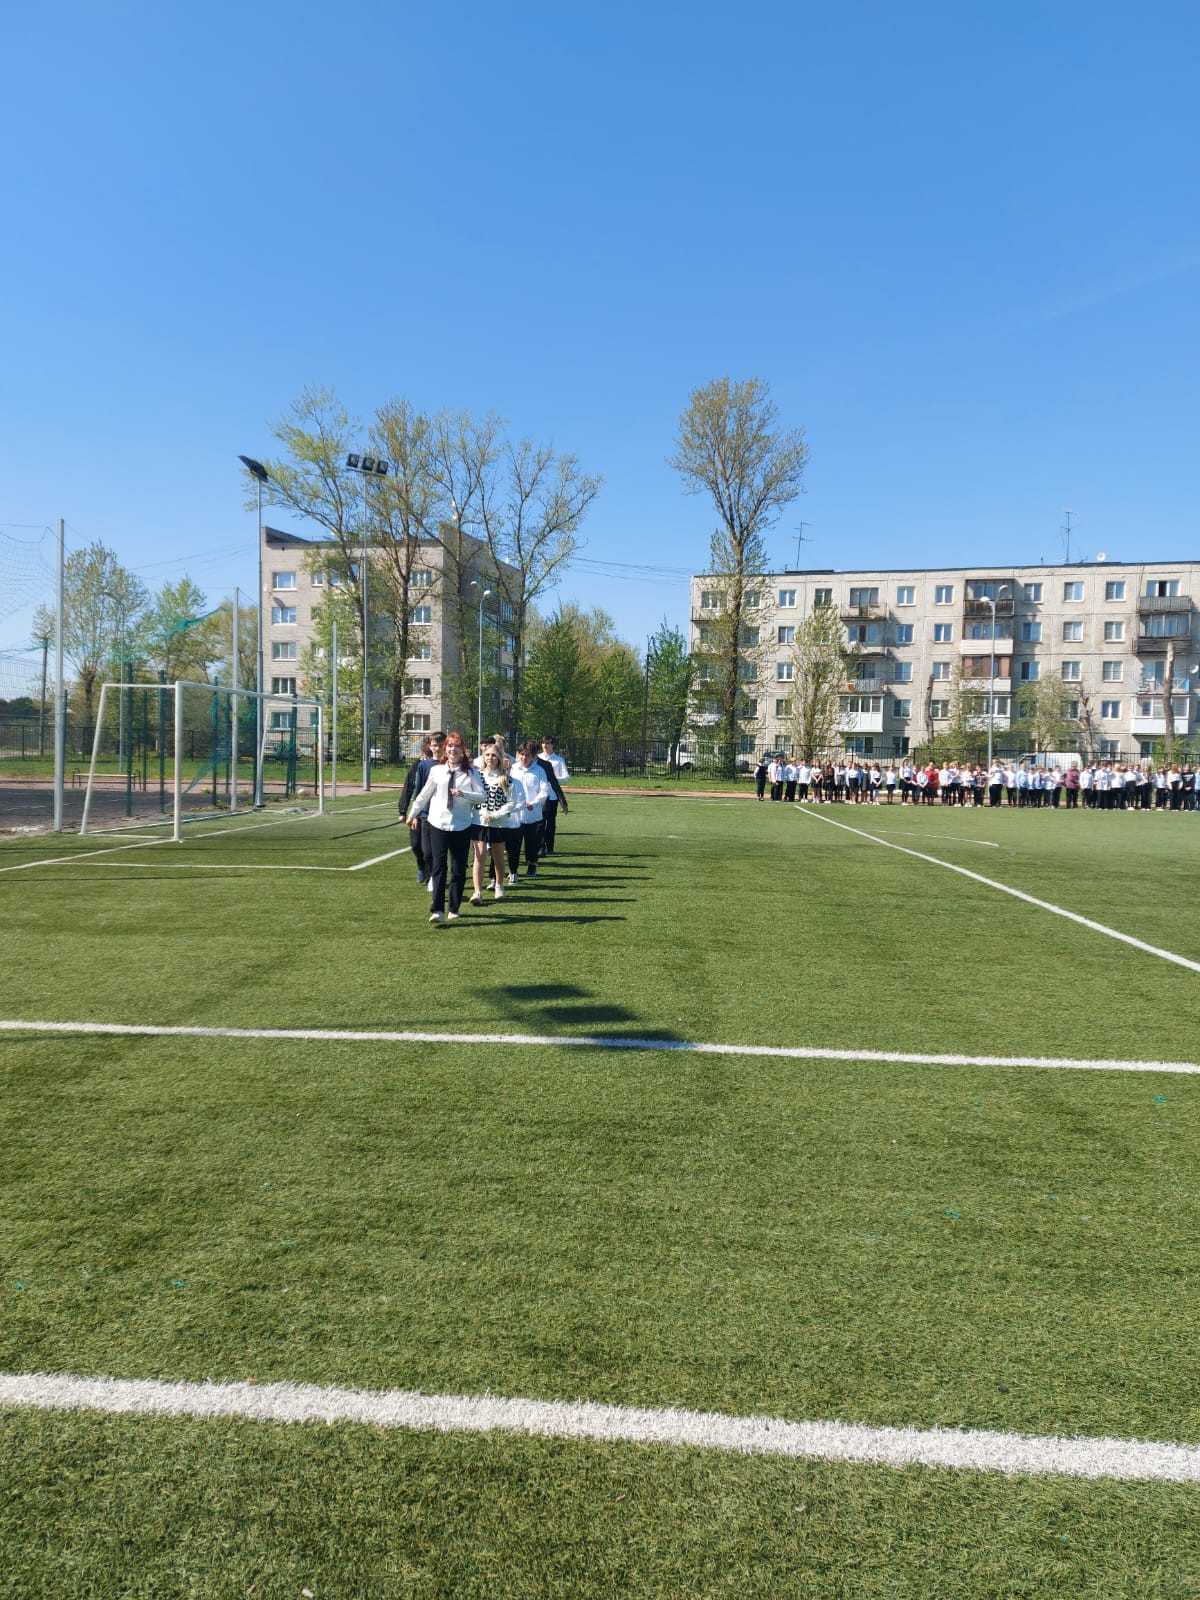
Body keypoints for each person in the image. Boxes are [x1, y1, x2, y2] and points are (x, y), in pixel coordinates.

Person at [405, 732, 483, 923]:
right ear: (445, 750)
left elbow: (482, 796)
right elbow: (424, 794)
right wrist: (412, 813)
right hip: (437, 823)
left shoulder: (471, 773)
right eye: (450, 746)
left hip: (461, 825)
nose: (453, 749)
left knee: (458, 868)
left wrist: (464, 794)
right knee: (439, 866)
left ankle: (454, 908)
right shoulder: (437, 771)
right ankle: (437, 909)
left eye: (457, 746)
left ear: (462, 750)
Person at [470, 745, 521, 903]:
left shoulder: (506, 778)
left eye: (493, 755)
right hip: (478, 821)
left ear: (499, 758)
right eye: (487, 755)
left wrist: (494, 815)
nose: (490, 758)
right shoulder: (477, 775)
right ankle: (477, 892)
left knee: (498, 857)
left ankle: (499, 885)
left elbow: (511, 803)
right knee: (479, 857)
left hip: (499, 823)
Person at [400, 731, 444, 888]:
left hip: (443, 814)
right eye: (434, 745)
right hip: (424, 813)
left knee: (439, 851)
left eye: (440, 745)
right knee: (421, 848)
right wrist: (413, 814)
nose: (437, 748)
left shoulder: (451, 765)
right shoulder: (422, 765)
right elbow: (417, 791)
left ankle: (435, 878)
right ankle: (425, 869)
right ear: (429, 747)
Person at [508, 742, 552, 879]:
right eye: (521, 754)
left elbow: (544, 790)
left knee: (532, 844)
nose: (524, 758)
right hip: (515, 815)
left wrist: (534, 803)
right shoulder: (512, 769)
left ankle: (532, 865)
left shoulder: (539, 771)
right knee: (514, 845)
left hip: (533, 815)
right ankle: (513, 871)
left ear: (533, 756)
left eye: (527, 755)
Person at [537, 735, 570, 855]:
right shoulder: (537, 758)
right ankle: (541, 846)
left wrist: (553, 778)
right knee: (541, 821)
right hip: (540, 795)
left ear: (553, 745)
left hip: (553, 796)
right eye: (543, 743)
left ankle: (550, 846)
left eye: (548, 743)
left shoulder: (558, 760)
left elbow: (566, 777)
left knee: (551, 822)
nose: (545, 745)